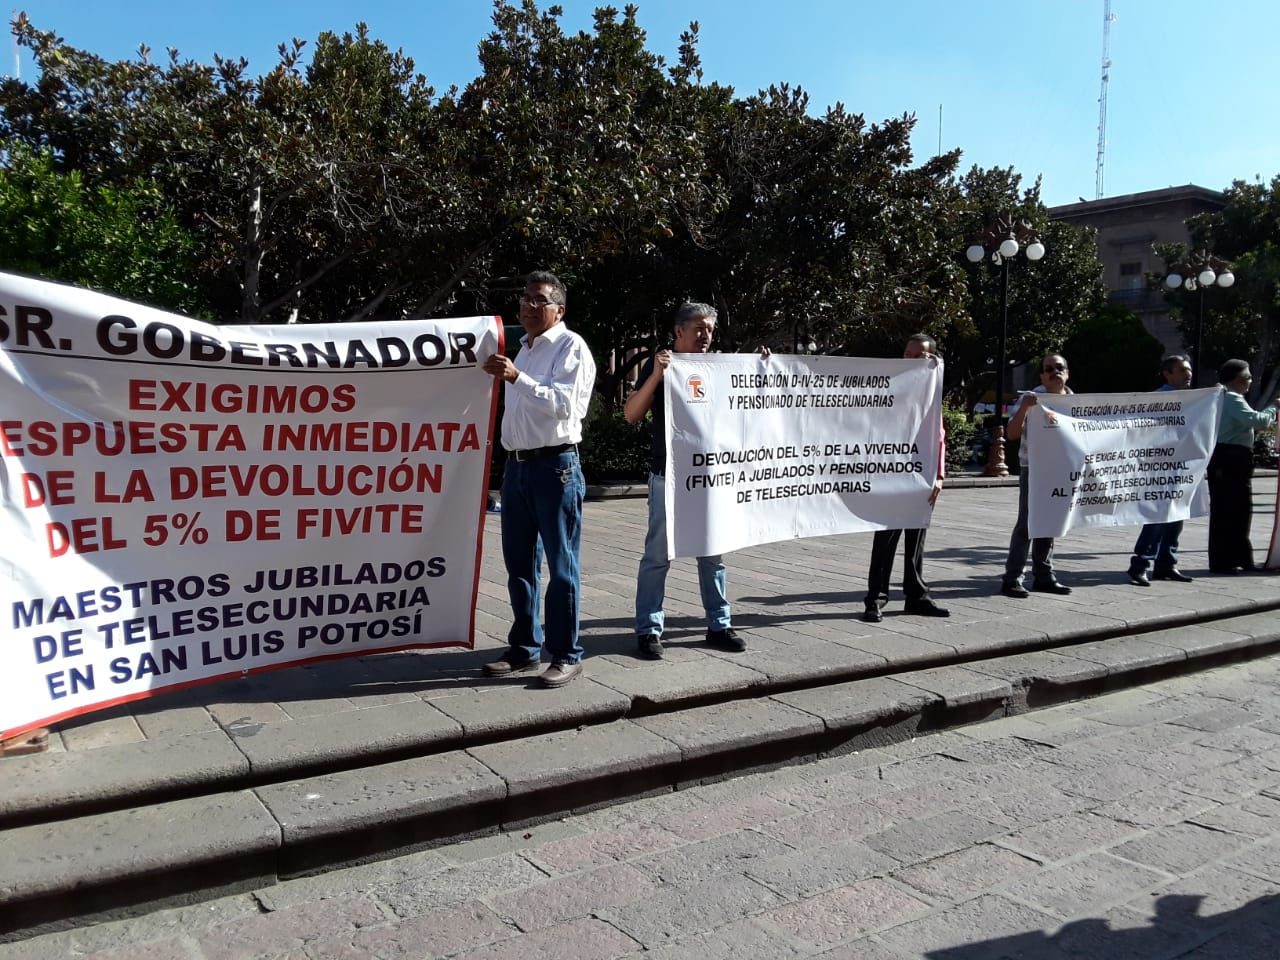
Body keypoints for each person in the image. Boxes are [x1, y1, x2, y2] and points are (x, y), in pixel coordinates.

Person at [480, 271, 597, 687]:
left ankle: (566, 653)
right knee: (519, 564)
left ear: (559, 310)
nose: (528, 306)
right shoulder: (524, 350)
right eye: (525, 298)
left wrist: (517, 378)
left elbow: (565, 406)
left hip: (555, 467)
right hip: (517, 467)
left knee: (561, 565)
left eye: (539, 300)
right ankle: (525, 647)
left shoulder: (570, 347)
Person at [624, 302, 746, 658]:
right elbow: (632, 413)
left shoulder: (718, 366)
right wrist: (657, 376)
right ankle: (648, 630)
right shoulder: (662, 365)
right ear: (678, 331)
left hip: (710, 478)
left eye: (709, 328)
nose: (706, 335)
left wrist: (764, 368)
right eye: (699, 328)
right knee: (658, 556)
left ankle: (719, 625)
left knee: (712, 555)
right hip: (669, 476)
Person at [862, 333, 949, 622]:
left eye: (919, 356)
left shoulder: (931, 391)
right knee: (885, 538)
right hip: (891, 473)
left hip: (921, 473)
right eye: (907, 354)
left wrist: (939, 475)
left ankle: (916, 595)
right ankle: (876, 598)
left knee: (916, 538)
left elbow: (939, 435)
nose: (911, 360)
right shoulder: (890, 385)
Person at [1000, 352, 1074, 598]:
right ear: (1042, 374)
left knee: (1050, 521)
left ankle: (1044, 575)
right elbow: (1011, 433)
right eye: (1048, 368)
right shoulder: (1031, 399)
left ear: (1067, 372)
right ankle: (1012, 578)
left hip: (1061, 469)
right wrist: (1024, 408)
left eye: (1059, 367)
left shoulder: (1076, 401)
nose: (1054, 372)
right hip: (1034, 468)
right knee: (1027, 523)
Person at [1128, 355, 1195, 586]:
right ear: (1167, 374)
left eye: (1189, 370)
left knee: (1176, 517)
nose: (1188, 374)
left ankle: (1167, 564)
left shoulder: (1193, 399)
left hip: (1180, 467)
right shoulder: (1158, 399)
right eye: (1182, 370)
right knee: (1157, 518)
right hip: (1159, 467)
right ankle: (1141, 564)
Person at [1207, 358, 1277, 574]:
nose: (1250, 381)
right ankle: (1226, 560)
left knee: (1234, 510)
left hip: (1228, 458)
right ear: (1236, 380)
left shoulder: (1225, 397)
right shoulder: (1232, 399)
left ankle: (1237, 558)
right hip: (1231, 458)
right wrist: (1274, 408)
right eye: (1247, 377)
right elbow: (1258, 421)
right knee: (1233, 510)